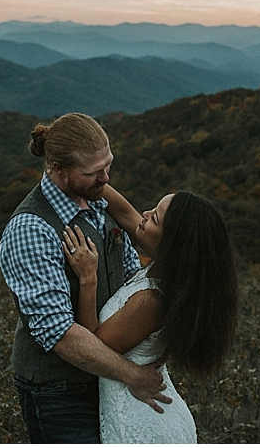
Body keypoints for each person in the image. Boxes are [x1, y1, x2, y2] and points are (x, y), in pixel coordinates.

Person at [0, 113, 170, 444]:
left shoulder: (98, 201)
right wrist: (133, 375)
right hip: (60, 393)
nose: (106, 178)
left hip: (106, 381)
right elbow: (60, 334)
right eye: (93, 172)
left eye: (108, 165)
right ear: (58, 169)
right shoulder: (31, 229)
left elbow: (129, 277)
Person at [61, 186, 239, 443]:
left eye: (155, 217)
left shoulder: (151, 301)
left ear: (172, 242)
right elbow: (124, 211)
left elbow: (92, 344)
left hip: (143, 424)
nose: (144, 214)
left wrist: (88, 278)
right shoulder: (174, 270)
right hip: (154, 412)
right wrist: (88, 173)